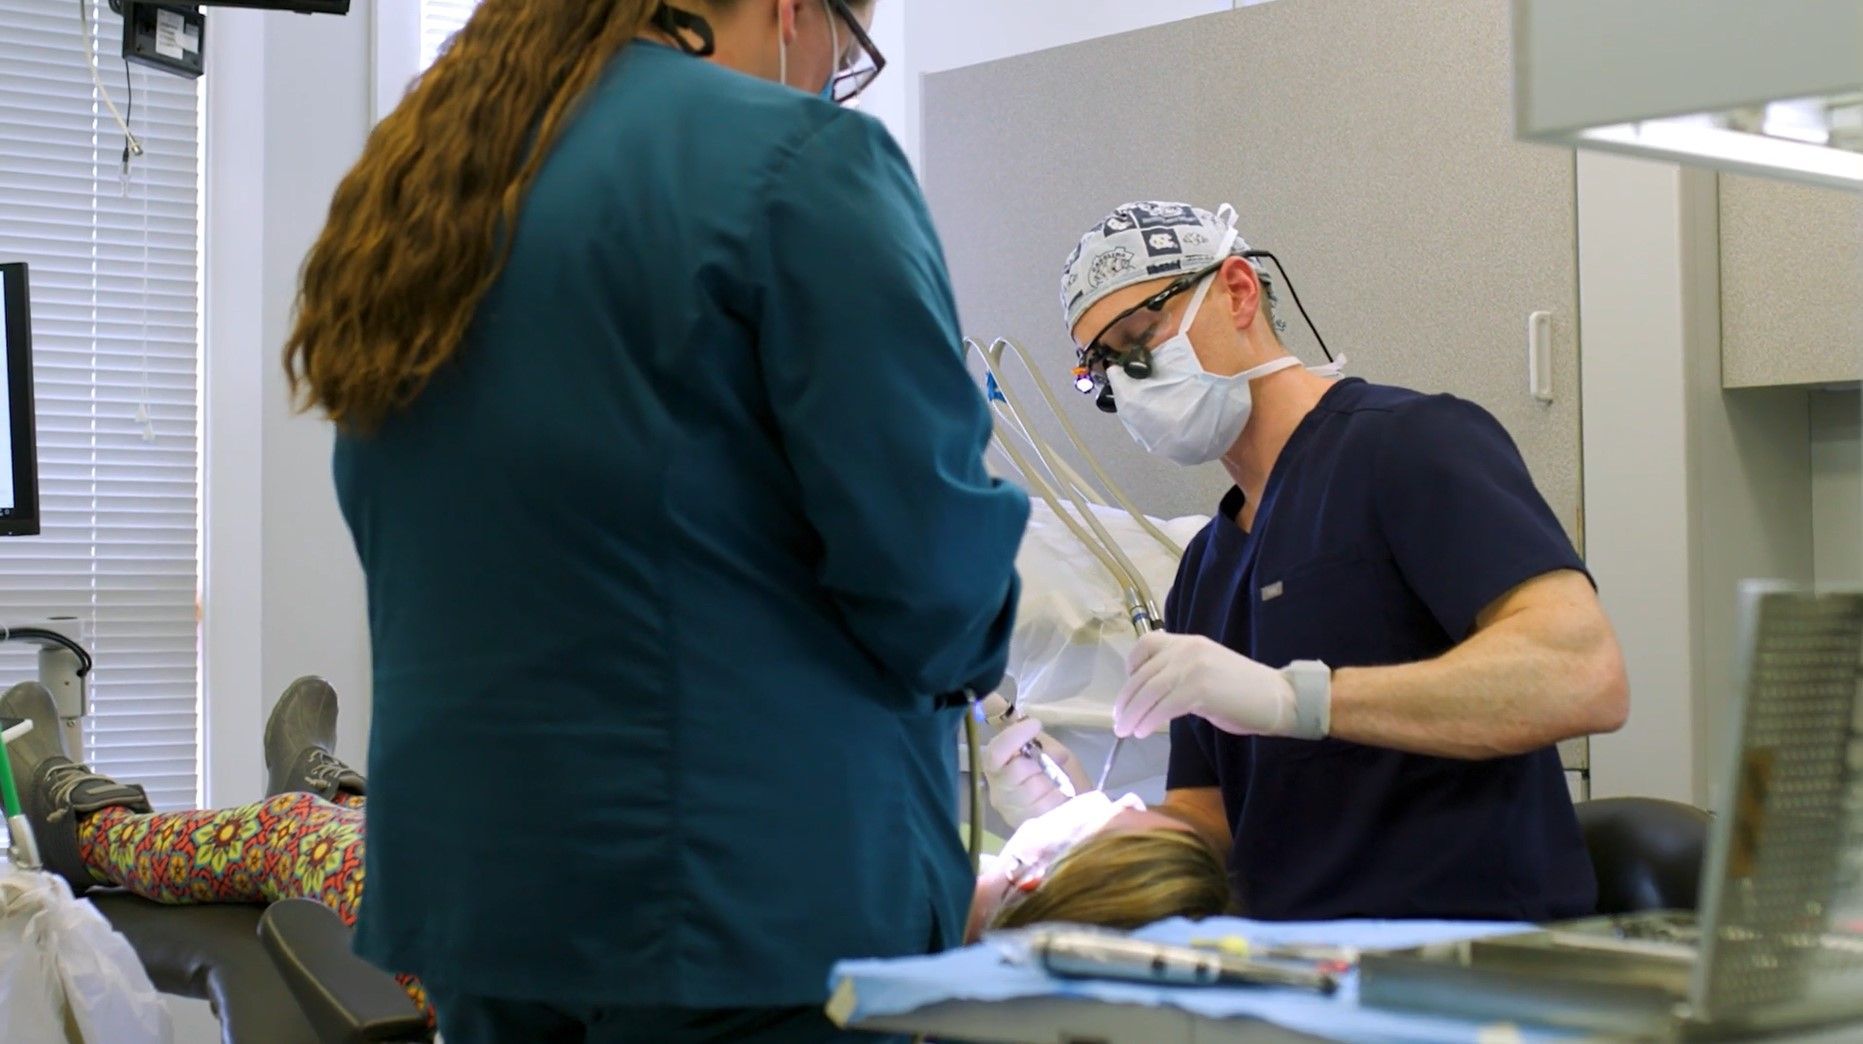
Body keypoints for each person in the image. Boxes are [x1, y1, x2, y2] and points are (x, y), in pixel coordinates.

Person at [279, 2, 1028, 1040]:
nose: (828, 87)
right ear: (791, 14)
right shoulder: (802, 163)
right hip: (742, 911)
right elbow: (936, 581)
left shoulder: (422, 194)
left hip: (485, 908)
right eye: (842, 63)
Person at [986, 201, 1629, 924]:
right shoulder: (1205, 567)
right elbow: (1211, 822)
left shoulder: (1407, 446)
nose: (1128, 379)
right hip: (1293, 969)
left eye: (1141, 338)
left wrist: (1298, 702)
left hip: (1472, 964)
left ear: (1235, 290)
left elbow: (1581, 677)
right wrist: (1089, 825)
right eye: (1102, 366)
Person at [0, 679, 432, 1019]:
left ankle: (86, 832)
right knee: (403, 830)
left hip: (452, 967)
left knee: (282, 827)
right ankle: (341, 806)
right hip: (475, 934)